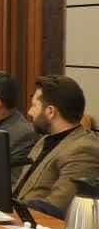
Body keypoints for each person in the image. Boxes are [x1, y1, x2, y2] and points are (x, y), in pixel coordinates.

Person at [14, 74, 99, 218]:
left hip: (38, 226)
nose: (29, 112)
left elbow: (56, 208)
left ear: (50, 111)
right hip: (16, 219)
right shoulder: (45, 140)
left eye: (34, 106)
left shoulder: (84, 150)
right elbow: (21, 191)